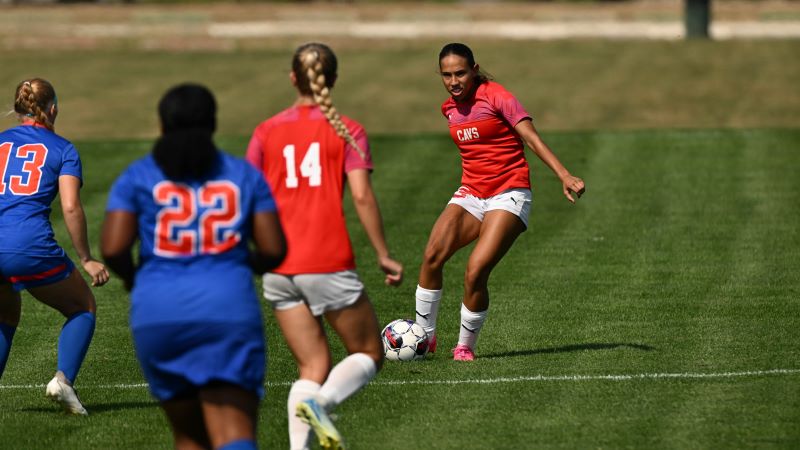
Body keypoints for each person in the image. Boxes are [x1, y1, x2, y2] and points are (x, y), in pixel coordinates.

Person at [101, 83, 286, 450]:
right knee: (234, 433)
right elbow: (274, 249)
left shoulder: (138, 175)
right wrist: (242, 260)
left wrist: (136, 277)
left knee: (189, 438)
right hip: (227, 308)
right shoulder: (241, 174)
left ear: (161, 124)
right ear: (213, 123)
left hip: (157, 313)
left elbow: (113, 247)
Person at [246, 42, 403, 450]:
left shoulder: (266, 131)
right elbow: (363, 197)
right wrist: (383, 254)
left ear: (292, 77)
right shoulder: (347, 129)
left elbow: (244, 196)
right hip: (327, 261)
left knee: (311, 365)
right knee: (368, 352)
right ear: (333, 79)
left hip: (279, 268)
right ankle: (322, 404)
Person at [414, 43, 586, 362]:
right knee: (431, 256)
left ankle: (464, 347)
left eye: (461, 73)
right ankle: (423, 339)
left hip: (510, 192)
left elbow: (531, 138)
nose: (454, 81)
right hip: (472, 193)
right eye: (447, 75)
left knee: (476, 270)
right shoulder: (448, 109)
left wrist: (564, 175)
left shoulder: (497, 96)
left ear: (474, 70)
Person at [0, 78, 109, 415]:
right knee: (82, 306)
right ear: (53, 109)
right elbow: (72, 207)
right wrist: (87, 258)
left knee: (4, 314)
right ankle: (63, 381)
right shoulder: (62, 148)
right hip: (28, 245)